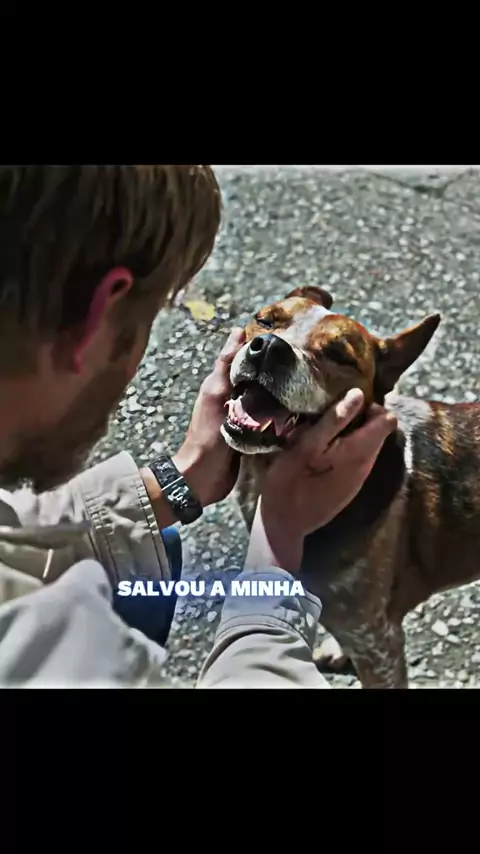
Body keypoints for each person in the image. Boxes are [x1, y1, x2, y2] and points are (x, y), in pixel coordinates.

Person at [0, 166, 396, 688]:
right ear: (100, 314)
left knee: (154, 555)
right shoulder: (44, 651)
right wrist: (277, 541)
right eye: (151, 315)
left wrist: (178, 478)